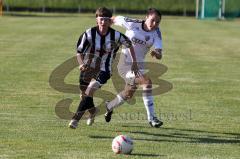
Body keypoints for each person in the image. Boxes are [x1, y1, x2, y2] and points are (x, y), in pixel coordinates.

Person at [68, 7, 140, 129]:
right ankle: (93, 112)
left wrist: (134, 62)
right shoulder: (89, 33)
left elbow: (129, 44)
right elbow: (79, 51)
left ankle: (75, 120)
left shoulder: (116, 35)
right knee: (84, 95)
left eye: (106, 20)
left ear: (109, 21)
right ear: (97, 20)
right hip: (88, 68)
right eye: (101, 19)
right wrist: (81, 64)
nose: (103, 22)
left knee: (90, 90)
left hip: (104, 70)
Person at [104, 8, 163, 128]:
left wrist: (157, 54)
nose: (154, 24)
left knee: (128, 94)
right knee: (147, 82)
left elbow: (159, 53)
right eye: (152, 20)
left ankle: (109, 106)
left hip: (139, 66)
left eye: (157, 22)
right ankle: (152, 119)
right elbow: (113, 19)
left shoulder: (156, 32)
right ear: (146, 17)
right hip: (124, 64)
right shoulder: (132, 23)